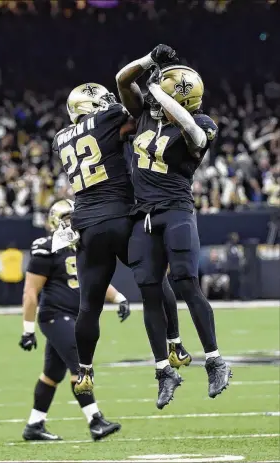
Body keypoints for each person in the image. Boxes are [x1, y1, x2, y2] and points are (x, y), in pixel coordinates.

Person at [53, 83, 191, 408]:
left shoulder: (61, 137)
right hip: (121, 216)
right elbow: (136, 115)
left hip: (86, 225)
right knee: (154, 280)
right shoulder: (109, 118)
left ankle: (85, 371)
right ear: (92, 107)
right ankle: (174, 347)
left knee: (89, 306)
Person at [116, 44, 232, 404]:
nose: (152, 92)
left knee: (185, 281)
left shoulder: (202, 123)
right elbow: (122, 79)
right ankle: (164, 370)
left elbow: (193, 135)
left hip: (177, 210)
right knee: (149, 289)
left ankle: (215, 361)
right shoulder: (147, 114)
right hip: (144, 215)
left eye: (161, 86)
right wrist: (149, 61)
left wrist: (157, 90)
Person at [19, 199, 130, 441]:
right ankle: (95, 420)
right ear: (55, 221)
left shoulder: (82, 247)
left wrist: (119, 297)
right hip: (56, 316)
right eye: (66, 218)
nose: (72, 222)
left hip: (72, 317)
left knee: (51, 375)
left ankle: (34, 425)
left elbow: (91, 280)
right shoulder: (45, 247)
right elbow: (30, 292)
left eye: (74, 217)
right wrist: (27, 330)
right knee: (80, 366)